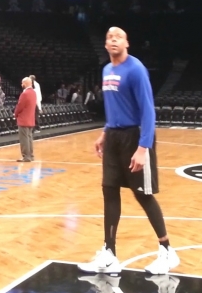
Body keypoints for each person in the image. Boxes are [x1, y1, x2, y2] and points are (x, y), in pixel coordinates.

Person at [77, 27, 180, 275]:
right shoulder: (106, 70)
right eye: (109, 37)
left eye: (118, 37)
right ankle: (109, 253)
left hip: (135, 137)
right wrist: (105, 132)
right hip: (113, 136)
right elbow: (115, 107)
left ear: (127, 43)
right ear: (105, 45)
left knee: (143, 194)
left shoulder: (135, 69)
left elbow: (147, 110)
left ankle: (167, 251)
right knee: (109, 190)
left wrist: (143, 147)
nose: (113, 40)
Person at [14, 77, 36, 162]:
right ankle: (31, 155)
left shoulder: (25, 94)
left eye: (22, 83)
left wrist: (15, 114)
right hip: (31, 118)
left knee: (24, 139)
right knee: (29, 138)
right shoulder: (33, 93)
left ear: (25, 83)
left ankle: (26, 156)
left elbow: (20, 106)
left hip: (24, 119)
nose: (21, 85)